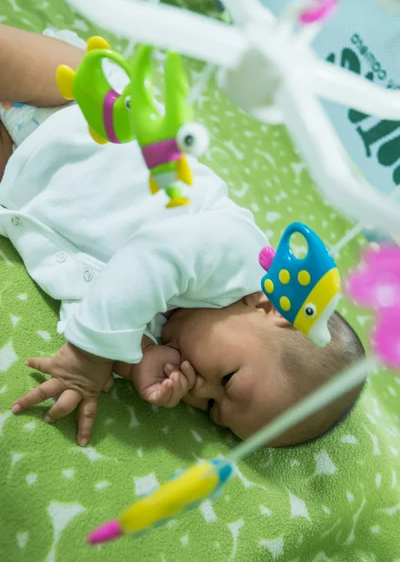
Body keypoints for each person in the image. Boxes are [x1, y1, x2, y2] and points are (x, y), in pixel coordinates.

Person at [0, 25, 365, 449]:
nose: (199, 391)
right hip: (83, 107)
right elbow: (150, 262)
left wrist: (136, 357)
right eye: (227, 380)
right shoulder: (237, 256)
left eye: (212, 409)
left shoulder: (168, 327)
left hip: (21, 181)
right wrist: (88, 356)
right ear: (270, 306)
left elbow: (102, 298)